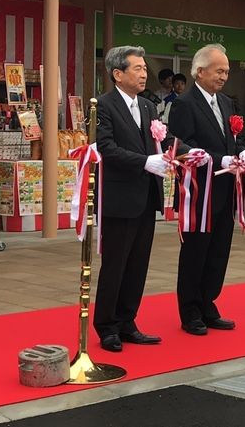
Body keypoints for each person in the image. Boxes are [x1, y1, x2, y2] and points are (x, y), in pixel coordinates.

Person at [94, 45, 194, 352]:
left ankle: (127, 321)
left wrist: (190, 152)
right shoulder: (103, 106)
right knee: (115, 264)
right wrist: (144, 162)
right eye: (137, 68)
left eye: (144, 68)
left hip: (146, 196)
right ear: (117, 74)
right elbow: (106, 148)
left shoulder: (149, 106)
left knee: (138, 264)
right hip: (119, 196)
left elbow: (164, 138)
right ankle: (107, 326)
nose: (143, 73)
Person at [169, 44, 245, 335]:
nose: (223, 77)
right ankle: (190, 310)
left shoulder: (226, 103)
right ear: (200, 71)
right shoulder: (184, 104)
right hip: (199, 191)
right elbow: (183, 146)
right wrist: (220, 159)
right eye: (219, 71)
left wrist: (243, 153)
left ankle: (208, 302)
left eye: (227, 72)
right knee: (196, 251)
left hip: (225, 189)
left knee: (218, 251)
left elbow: (233, 140)